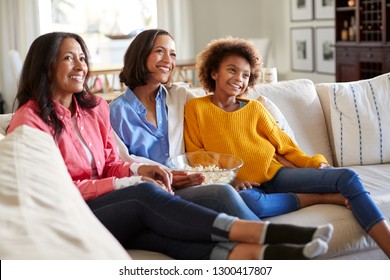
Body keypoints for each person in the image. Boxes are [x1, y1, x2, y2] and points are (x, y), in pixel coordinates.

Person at [6, 31, 334, 260]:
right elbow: (56, 190)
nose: (81, 66)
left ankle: (268, 254)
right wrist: (129, 180)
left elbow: (111, 163)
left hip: (120, 204)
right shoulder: (30, 122)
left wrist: (140, 168)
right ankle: (256, 232)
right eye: (68, 58)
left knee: (163, 237)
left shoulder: (95, 109)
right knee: (144, 194)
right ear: (46, 64)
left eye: (82, 57)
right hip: (78, 211)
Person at [183, 36, 390, 258]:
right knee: (250, 204)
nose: (239, 79)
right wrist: (231, 180)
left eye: (245, 75)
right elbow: (197, 156)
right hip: (244, 188)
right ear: (214, 72)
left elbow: (286, 146)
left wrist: (315, 162)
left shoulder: (255, 109)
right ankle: (321, 198)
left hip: (276, 175)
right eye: (231, 70)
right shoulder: (196, 107)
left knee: (347, 177)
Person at [109, 28, 260, 220]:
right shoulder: (116, 112)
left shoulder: (180, 96)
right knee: (223, 194)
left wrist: (261, 112)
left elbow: (216, 109)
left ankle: (266, 241)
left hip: (193, 182)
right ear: (140, 55)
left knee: (247, 196)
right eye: (159, 51)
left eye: (172, 54)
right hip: (154, 191)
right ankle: (272, 241)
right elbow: (122, 162)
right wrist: (168, 175)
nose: (168, 60)